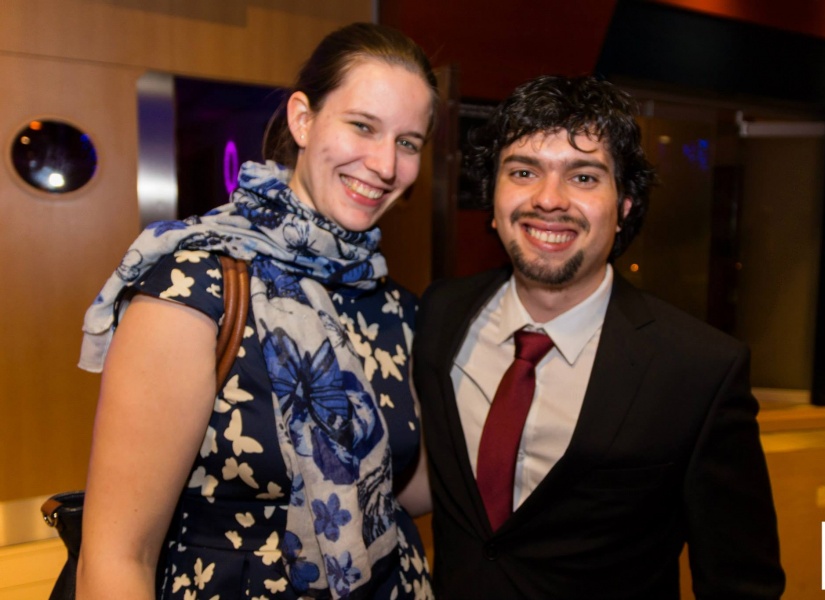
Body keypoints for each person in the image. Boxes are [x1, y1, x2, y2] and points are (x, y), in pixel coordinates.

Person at [77, 22, 436, 600]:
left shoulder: (394, 305)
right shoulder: (195, 288)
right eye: (363, 126)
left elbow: (405, 486)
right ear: (303, 119)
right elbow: (117, 557)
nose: (386, 164)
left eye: (409, 142)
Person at [413, 75, 786, 599]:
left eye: (583, 177)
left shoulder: (698, 370)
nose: (548, 200)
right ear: (492, 197)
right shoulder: (438, 315)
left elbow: (741, 582)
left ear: (625, 205)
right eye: (523, 171)